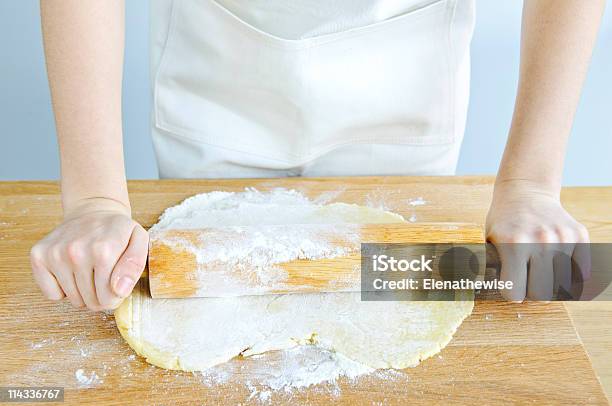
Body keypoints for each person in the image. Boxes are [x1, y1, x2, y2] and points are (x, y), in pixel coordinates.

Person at [31, 0, 604, 311]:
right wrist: (93, 199)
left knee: (392, 296)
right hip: (218, 72)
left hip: (405, 73)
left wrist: (530, 184)